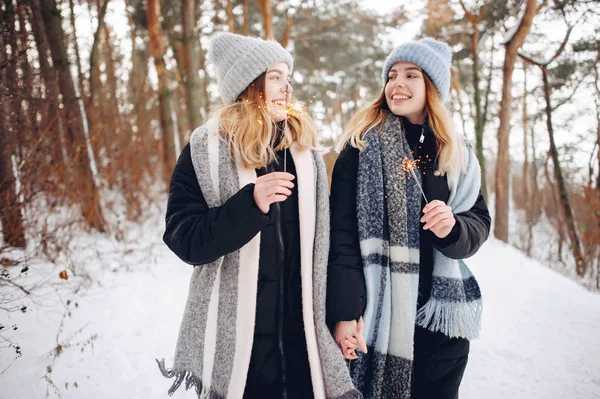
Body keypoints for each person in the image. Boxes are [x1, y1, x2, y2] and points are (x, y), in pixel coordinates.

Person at [157, 32, 359, 399]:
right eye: (276, 77)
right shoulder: (205, 150)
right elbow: (184, 238)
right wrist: (249, 205)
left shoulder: (305, 154)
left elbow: (328, 246)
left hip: (302, 346)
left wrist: (343, 314)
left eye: (288, 78)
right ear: (250, 85)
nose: (287, 88)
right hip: (241, 352)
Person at [326, 37, 491, 399]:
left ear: (431, 87)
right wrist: (345, 313)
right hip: (377, 320)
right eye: (392, 76)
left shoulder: (456, 153)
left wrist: (454, 228)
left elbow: (479, 223)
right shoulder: (359, 150)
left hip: (441, 326)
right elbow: (341, 239)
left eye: (411, 75)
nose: (397, 84)